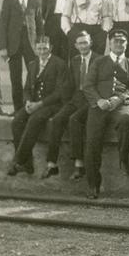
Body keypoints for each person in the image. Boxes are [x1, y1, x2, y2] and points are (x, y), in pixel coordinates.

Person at [82, 28, 129, 199]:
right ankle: (93, 185)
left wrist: (120, 99)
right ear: (110, 43)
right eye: (116, 41)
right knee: (92, 143)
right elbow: (88, 85)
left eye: (122, 41)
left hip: (120, 106)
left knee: (125, 120)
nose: (119, 44)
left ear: (127, 44)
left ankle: (123, 158)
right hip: (99, 106)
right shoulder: (99, 62)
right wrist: (99, 100)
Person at [43, 30, 100, 179]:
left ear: (91, 43)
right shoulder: (74, 61)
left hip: (91, 99)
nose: (83, 46)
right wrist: (66, 102)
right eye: (80, 43)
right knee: (57, 120)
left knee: (74, 120)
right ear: (75, 45)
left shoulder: (99, 60)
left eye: (85, 42)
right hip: (76, 98)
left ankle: (79, 165)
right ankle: (51, 164)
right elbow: (70, 84)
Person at [8, 36, 66, 176]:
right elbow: (27, 88)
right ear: (35, 49)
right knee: (17, 121)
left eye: (45, 48)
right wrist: (28, 101)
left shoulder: (60, 64)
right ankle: (27, 165)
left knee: (35, 120)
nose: (42, 52)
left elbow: (60, 92)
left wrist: (39, 104)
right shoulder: (33, 64)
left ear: (50, 48)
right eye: (39, 48)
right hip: (33, 104)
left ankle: (18, 161)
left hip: (52, 105)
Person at [0, 0, 43, 114]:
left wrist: (41, 45)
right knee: (15, 78)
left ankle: (32, 106)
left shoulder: (34, 2)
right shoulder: (8, 2)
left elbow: (40, 26)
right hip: (14, 46)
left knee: (33, 77)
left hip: (31, 45)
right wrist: (3, 47)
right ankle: (18, 109)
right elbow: (3, 26)